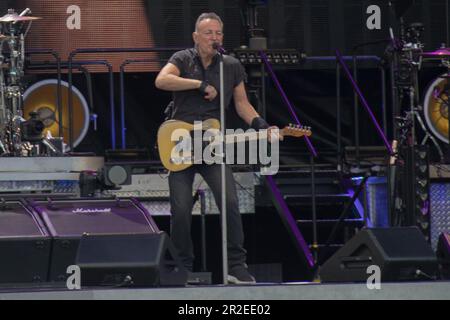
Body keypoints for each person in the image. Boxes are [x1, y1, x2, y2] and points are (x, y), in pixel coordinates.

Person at [155, 12, 281, 284]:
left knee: (230, 202)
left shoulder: (231, 65)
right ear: (196, 37)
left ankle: (236, 266)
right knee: (180, 210)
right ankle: (183, 268)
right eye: (208, 33)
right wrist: (199, 84)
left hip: (213, 143)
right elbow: (162, 80)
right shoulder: (183, 59)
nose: (214, 38)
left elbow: (242, 104)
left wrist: (262, 125)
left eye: (218, 33)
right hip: (181, 141)